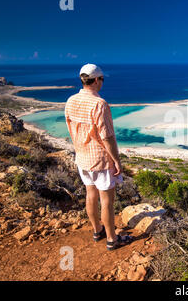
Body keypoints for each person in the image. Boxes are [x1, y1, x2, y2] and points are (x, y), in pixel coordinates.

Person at [65, 64, 133, 250]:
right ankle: (112, 239)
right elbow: (107, 136)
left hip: (82, 157)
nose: (102, 82)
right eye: (102, 79)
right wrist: (117, 160)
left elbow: (71, 127)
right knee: (107, 201)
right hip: (101, 160)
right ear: (96, 80)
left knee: (90, 194)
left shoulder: (71, 100)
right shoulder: (99, 104)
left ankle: (97, 230)